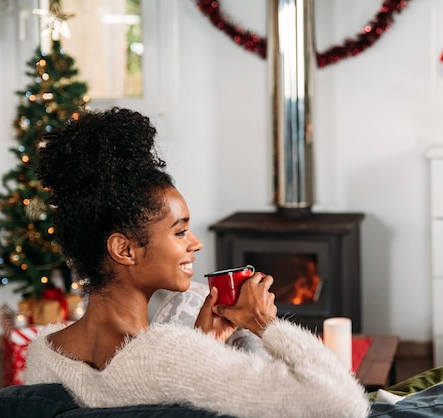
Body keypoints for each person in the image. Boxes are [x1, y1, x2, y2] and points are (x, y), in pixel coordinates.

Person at [24, 107, 370, 418]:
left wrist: (203, 344)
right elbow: (343, 404)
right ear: (124, 250)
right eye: (180, 232)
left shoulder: (44, 357)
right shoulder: (167, 355)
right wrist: (265, 324)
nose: (196, 243)